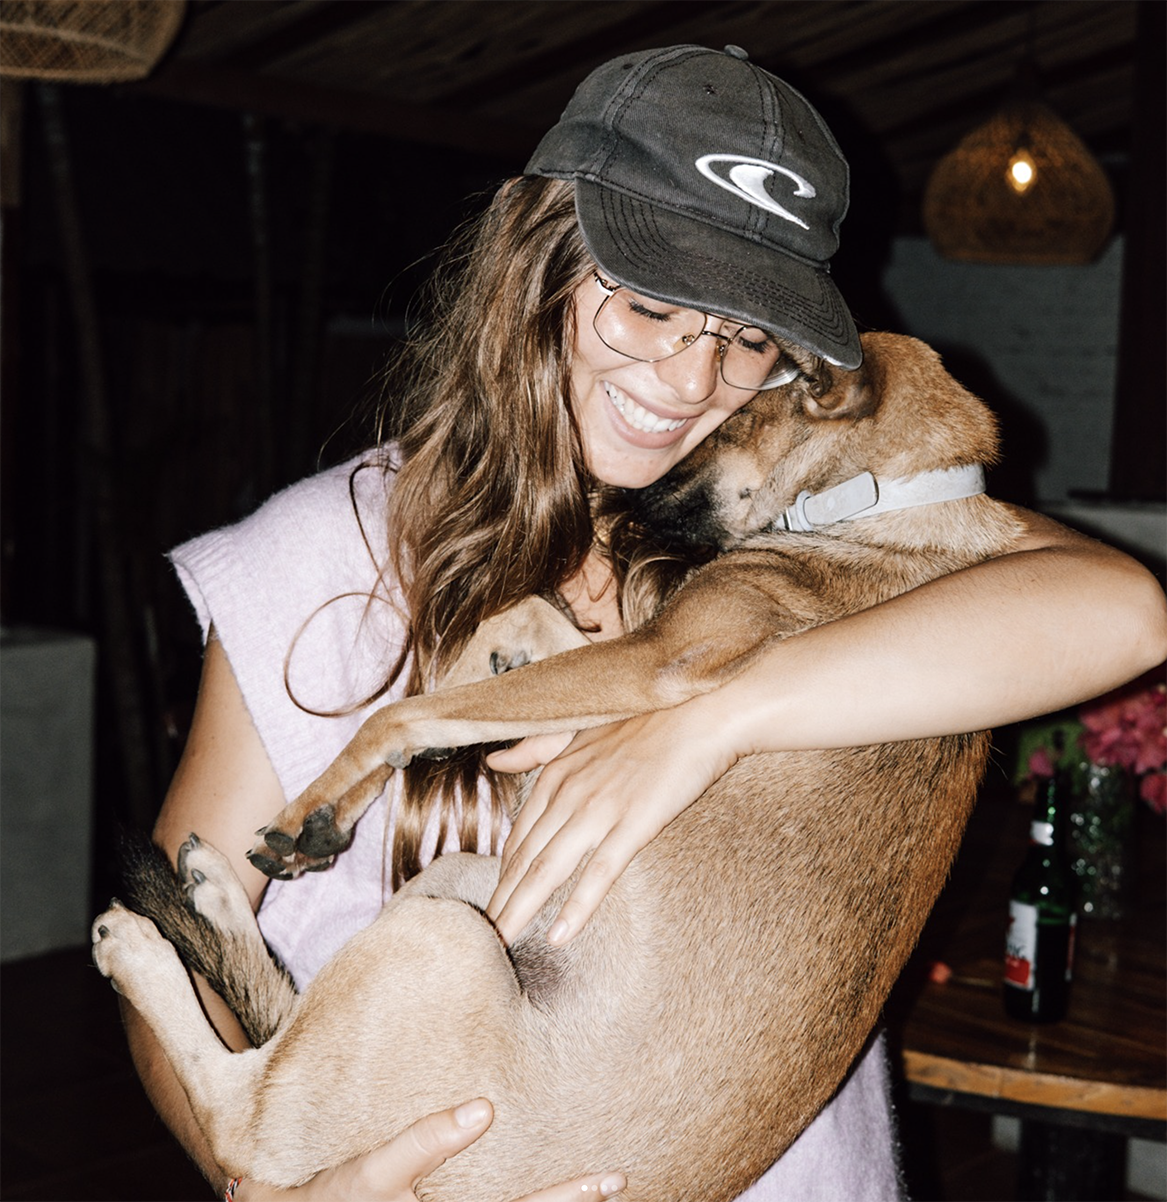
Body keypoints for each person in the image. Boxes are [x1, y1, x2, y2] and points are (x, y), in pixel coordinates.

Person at [127, 44, 1167, 1202]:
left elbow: (1125, 608)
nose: (689, 380)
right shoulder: (329, 554)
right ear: (536, 261)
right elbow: (175, 932)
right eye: (649, 304)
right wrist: (256, 1184)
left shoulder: (780, 538)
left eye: (748, 339)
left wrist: (711, 717)